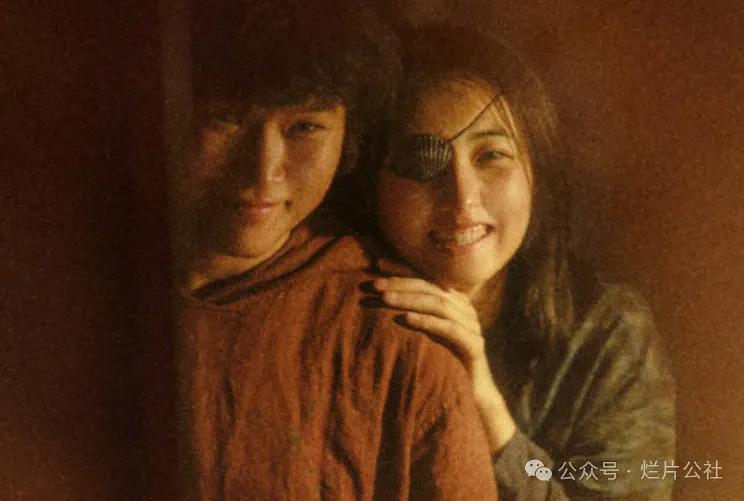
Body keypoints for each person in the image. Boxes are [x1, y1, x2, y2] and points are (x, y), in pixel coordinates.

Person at [173, 4, 498, 500]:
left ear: (350, 136)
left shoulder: (397, 336)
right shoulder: (71, 285)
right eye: (225, 119)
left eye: (304, 127)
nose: (263, 170)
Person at [363, 25, 676, 500]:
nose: (462, 200)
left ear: (535, 169)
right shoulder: (337, 309)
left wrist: (490, 415)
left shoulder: (606, 332)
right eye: (423, 161)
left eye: (491, 155)